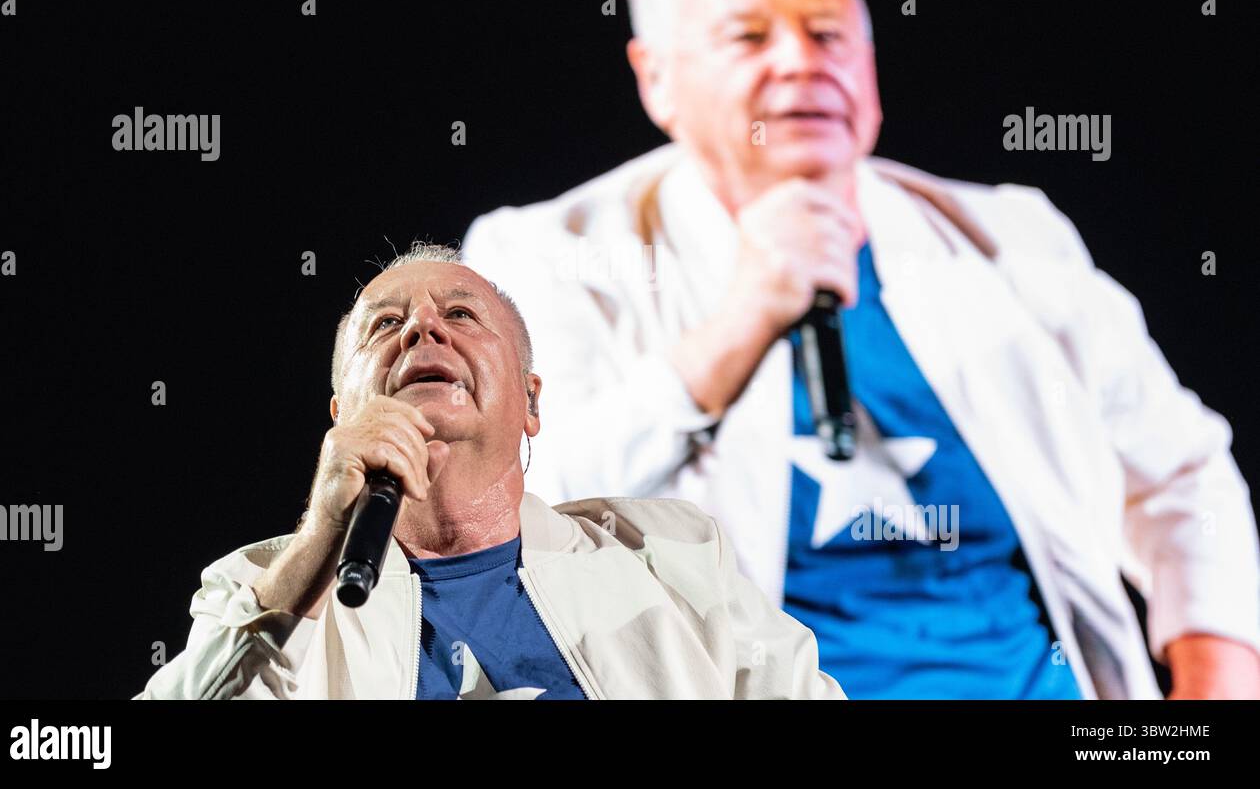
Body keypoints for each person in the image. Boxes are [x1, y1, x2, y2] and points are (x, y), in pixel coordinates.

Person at [461, 0, 1260, 699]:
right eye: (748, 37)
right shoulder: (546, 255)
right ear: (656, 77)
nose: (801, 62)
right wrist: (740, 324)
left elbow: (1184, 476)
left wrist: (1216, 690)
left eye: (829, 34)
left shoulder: (1010, 237)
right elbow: (519, 522)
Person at [135, 243, 843, 700]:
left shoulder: (670, 555)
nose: (422, 330)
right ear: (341, 417)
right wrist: (321, 536)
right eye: (385, 325)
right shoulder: (267, 591)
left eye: (461, 314)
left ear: (530, 402)